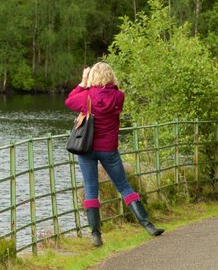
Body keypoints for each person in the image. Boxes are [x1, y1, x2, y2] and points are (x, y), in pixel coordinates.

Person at [65, 62, 163, 246]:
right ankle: (147, 225)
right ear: (111, 76)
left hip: (86, 149)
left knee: (91, 189)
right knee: (124, 186)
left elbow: (69, 101)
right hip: (109, 149)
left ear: (93, 77)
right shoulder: (119, 96)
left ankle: (96, 235)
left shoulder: (86, 96)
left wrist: (83, 82)